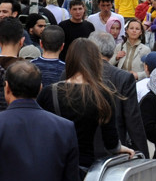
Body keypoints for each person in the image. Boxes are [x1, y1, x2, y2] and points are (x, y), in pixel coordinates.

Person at [37, 38, 134, 169]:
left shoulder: (49, 92)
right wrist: (121, 148)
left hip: (52, 164)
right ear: (95, 61)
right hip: (83, 166)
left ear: (70, 59)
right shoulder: (103, 94)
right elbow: (110, 142)